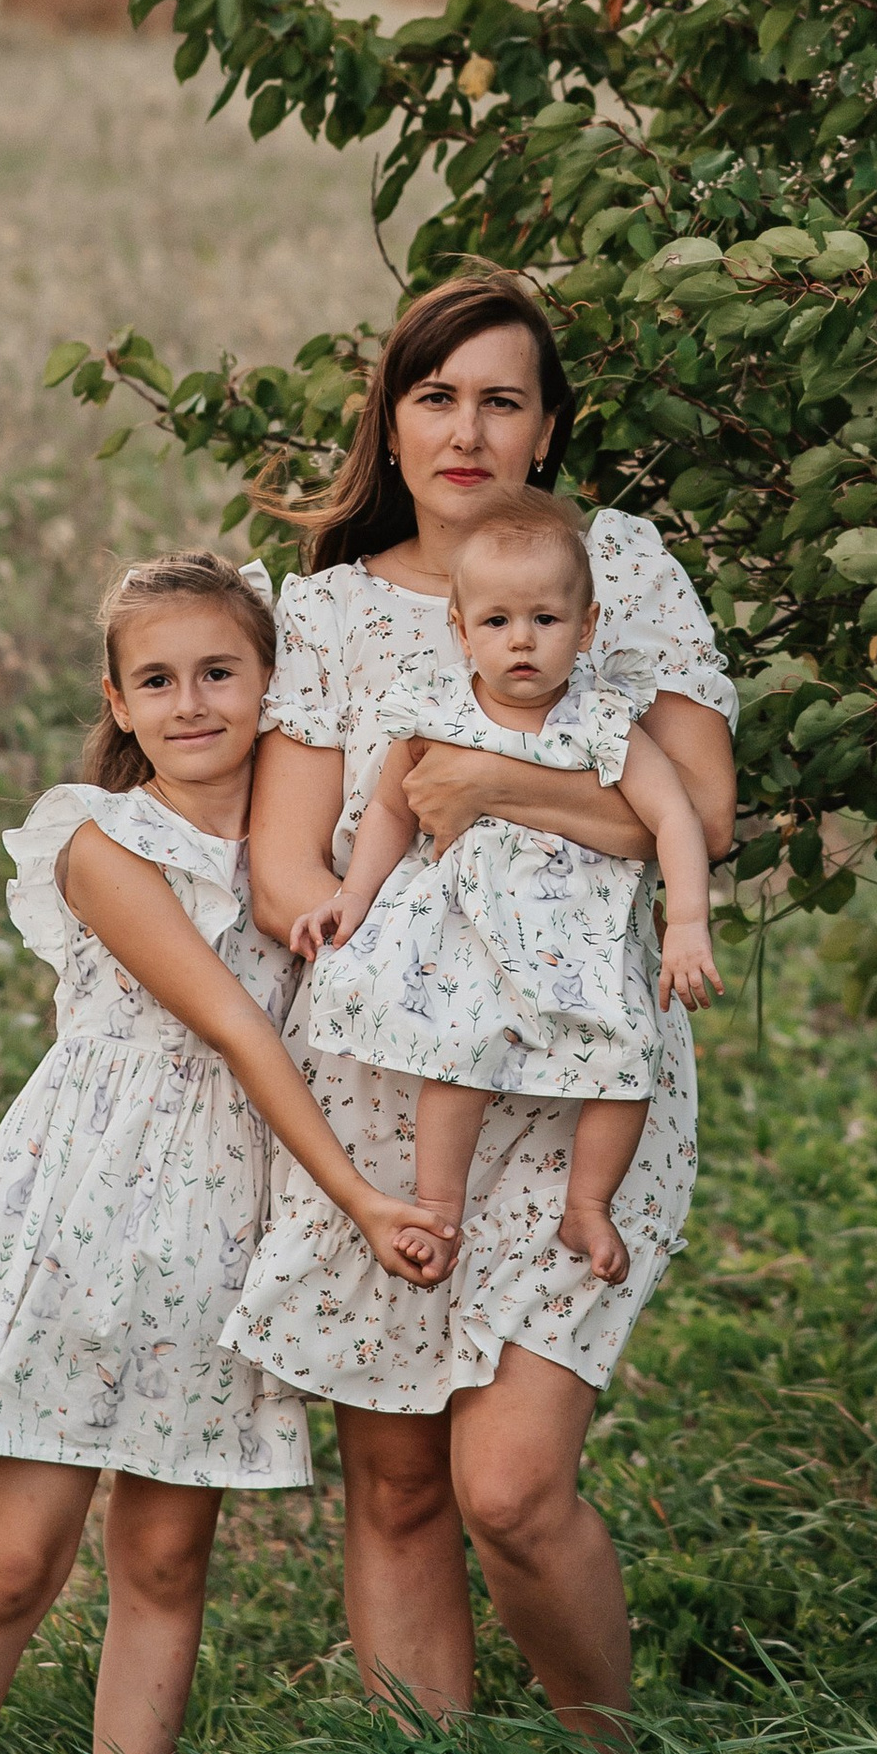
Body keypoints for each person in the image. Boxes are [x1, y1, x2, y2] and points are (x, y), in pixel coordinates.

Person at [222, 273, 735, 1742]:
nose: (467, 427)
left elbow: (699, 810)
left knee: (507, 1483)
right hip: (394, 1073)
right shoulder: (323, 606)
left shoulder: (615, 565)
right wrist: (354, 894)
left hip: (586, 1076)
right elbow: (286, 861)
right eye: (437, 395)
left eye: (502, 397)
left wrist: (493, 784)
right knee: (392, 1480)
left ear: (549, 424)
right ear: (391, 416)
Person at [0, 549, 453, 1754]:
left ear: (271, 682)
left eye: (219, 671)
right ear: (118, 700)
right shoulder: (99, 841)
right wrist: (364, 1201)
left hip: (222, 1226)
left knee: (163, 1551)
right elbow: (239, 1030)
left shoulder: (309, 846)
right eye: (158, 679)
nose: (192, 702)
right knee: (16, 1557)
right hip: (84, 1214)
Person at [294, 490, 722, 1286]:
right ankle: (437, 1208)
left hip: (582, 936)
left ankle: (587, 1204)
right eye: (496, 622)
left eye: (546, 620)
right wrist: (354, 896)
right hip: (470, 935)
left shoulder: (603, 719)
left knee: (628, 1061)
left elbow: (676, 819)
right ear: (462, 631)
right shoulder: (435, 709)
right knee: (455, 1058)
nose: (520, 640)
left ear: (586, 627)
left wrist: (688, 922)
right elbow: (393, 804)